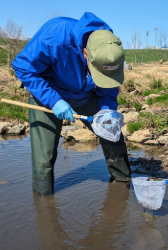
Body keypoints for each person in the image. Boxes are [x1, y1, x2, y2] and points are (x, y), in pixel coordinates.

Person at [12, 13, 131, 195]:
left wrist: (106, 109)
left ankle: (122, 188)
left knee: (112, 135)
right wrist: (54, 100)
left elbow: (109, 86)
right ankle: (44, 204)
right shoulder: (55, 36)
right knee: (44, 156)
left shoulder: (111, 50)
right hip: (47, 92)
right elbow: (23, 66)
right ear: (85, 54)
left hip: (84, 94)